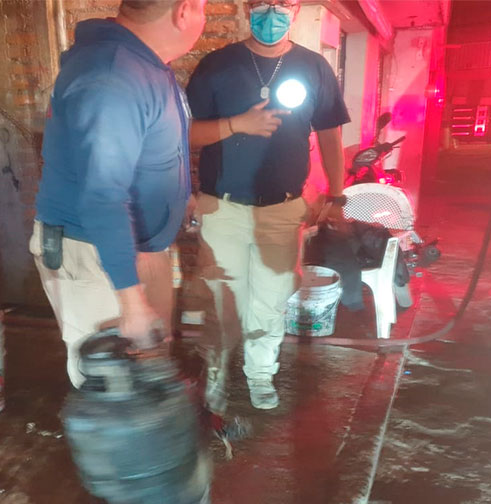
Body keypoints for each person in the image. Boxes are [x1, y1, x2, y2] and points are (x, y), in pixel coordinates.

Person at [31, 0, 207, 388]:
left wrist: (181, 196)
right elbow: (102, 197)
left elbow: (152, 147)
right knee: (115, 388)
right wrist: (131, 301)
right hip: (95, 250)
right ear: (184, 11)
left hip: (136, 246)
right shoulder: (111, 76)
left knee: (149, 371)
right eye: (203, 7)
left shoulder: (147, 63)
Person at [186, 0, 350, 410]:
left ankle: (260, 374)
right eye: (262, 3)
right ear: (247, 8)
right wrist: (236, 125)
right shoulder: (216, 65)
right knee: (223, 301)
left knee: (271, 300)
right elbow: (185, 134)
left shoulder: (314, 67)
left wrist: (336, 194)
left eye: (283, 4)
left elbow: (330, 136)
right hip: (222, 209)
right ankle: (217, 376)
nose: (272, 12)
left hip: (282, 210)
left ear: (296, 10)